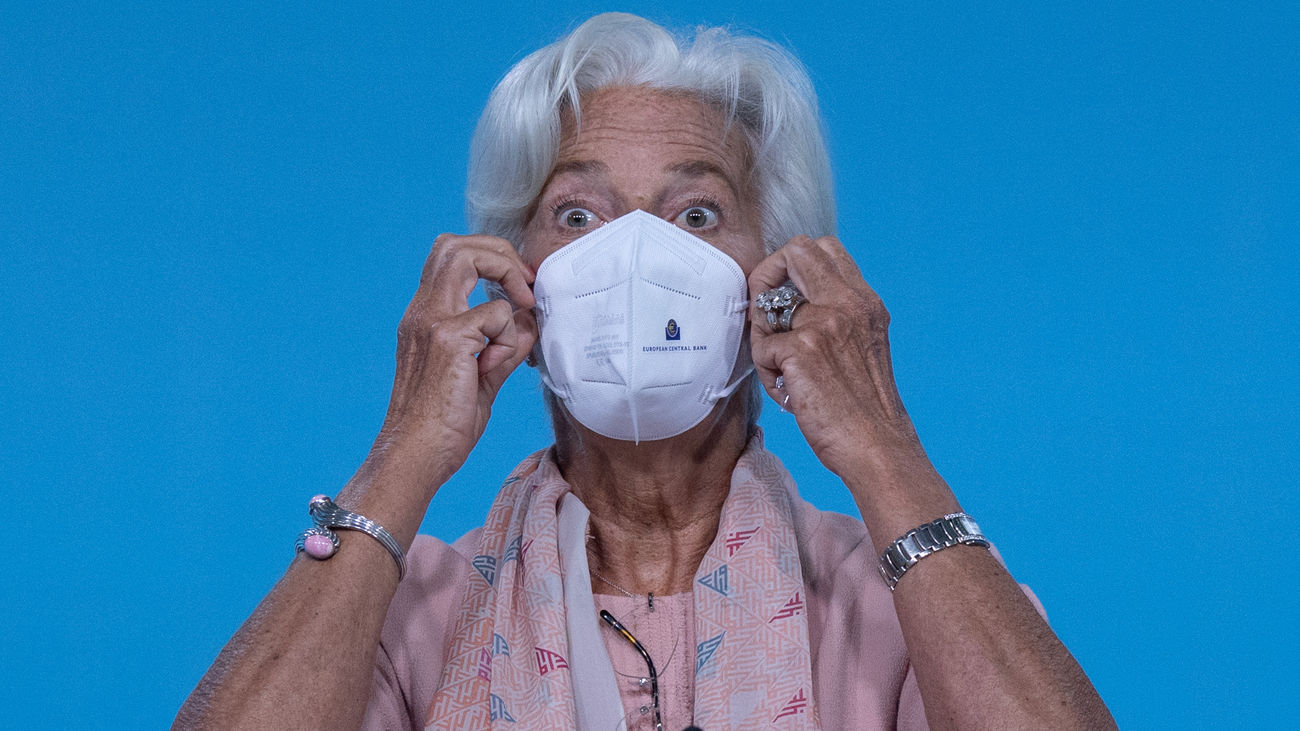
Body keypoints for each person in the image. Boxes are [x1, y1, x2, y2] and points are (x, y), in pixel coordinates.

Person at [176, 13, 1114, 730]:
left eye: (696, 214)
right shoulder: (407, 606)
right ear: (516, 283)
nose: (632, 255)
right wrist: (401, 456)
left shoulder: (898, 598)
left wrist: (884, 448)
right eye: (578, 216)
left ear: (776, 281)